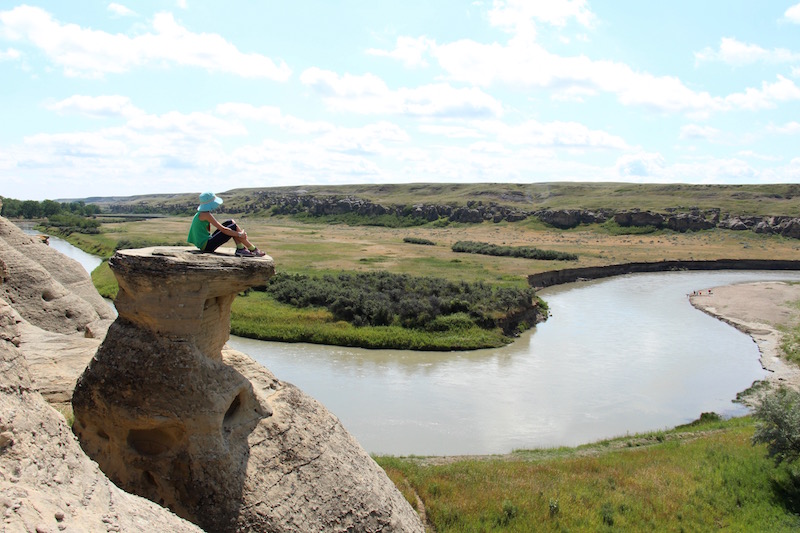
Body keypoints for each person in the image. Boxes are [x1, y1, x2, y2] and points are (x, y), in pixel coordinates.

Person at [187, 192, 266, 257]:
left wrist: (238, 234)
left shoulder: (201, 213)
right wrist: (239, 234)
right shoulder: (205, 214)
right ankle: (253, 249)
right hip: (207, 246)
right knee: (233, 227)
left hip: (206, 243)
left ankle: (241, 248)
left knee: (230, 222)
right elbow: (223, 229)